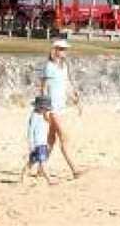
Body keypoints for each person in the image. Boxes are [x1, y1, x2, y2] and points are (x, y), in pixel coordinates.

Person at [39, 40, 83, 179]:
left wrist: (74, 97)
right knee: (64, 137)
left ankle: (41, 166)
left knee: (51, 139)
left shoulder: (64, 66)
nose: (64, 52)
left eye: (65, 49)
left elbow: (67, 83)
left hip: (61, 106)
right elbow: (43, 88)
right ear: (55, 50)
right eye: (62, 49)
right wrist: (45, 109)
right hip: (52, 108)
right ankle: (74, 169)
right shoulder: (49, 67)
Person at [21, 95, 55, 185]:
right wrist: (31, 144)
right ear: (40, 107)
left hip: (42, 144)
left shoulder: (43, 116)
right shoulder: (34, 116)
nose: (47, 110)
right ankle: (49, 180)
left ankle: (23, 177)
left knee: (32, 162)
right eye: (45, 108)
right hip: (37, 144)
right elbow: (30, 131)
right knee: (41, 163)